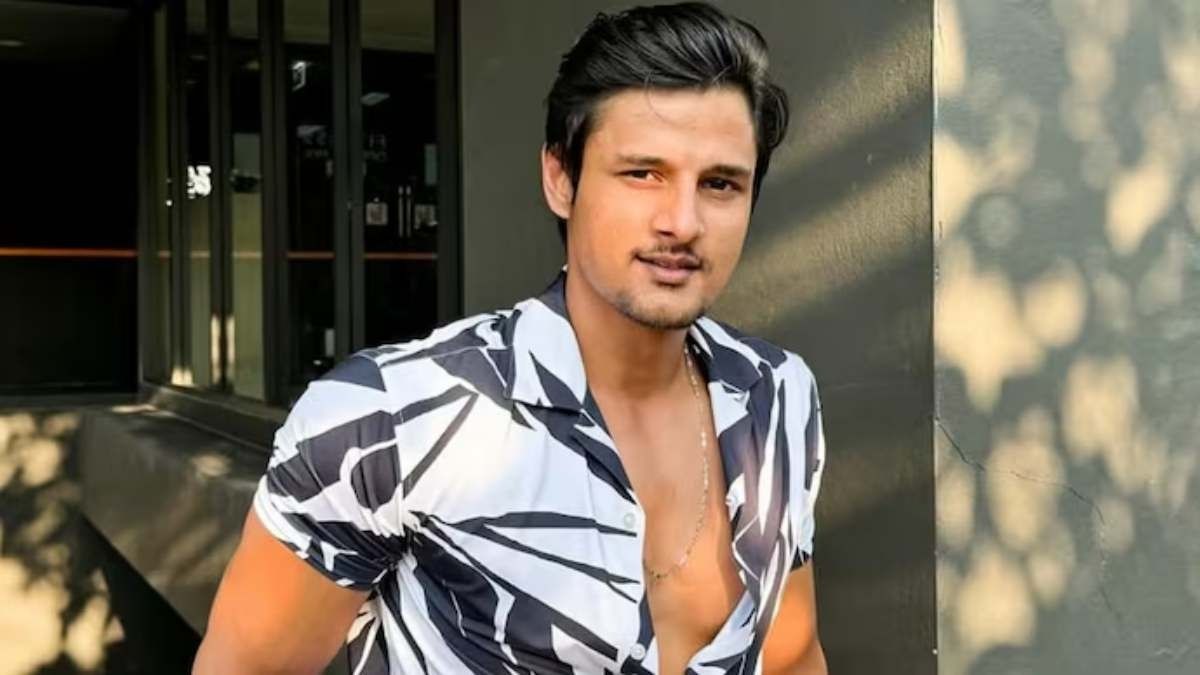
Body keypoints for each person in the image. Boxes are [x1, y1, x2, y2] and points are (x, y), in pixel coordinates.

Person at [194, 3, 827, 673]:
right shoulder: (387, 419)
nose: (683, 221)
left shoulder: (777, 395)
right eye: (643, 173)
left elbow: (793, 656)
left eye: (720, 183)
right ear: (560, 178)